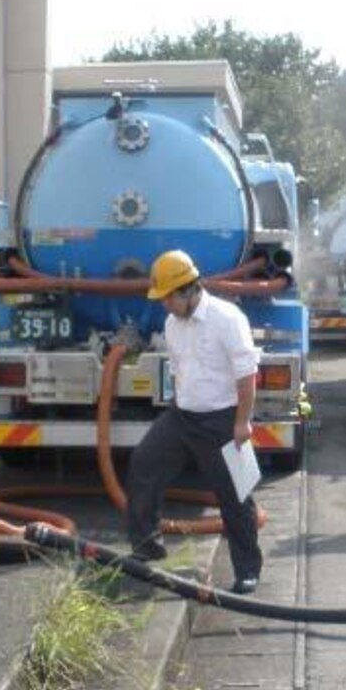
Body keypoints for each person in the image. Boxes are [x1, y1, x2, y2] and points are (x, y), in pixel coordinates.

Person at [126, 250, 264, 595]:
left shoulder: (227, 318)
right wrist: (177, 404)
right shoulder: (173, 324)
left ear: (188, 290)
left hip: (223, 419)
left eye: (168, 297)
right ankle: (146, 546)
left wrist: (242, 422)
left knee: (235, 495)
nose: (164, 305)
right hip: (182, 415)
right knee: (144, 463)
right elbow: (178, 369)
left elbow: (247, 375)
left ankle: (247, 570)